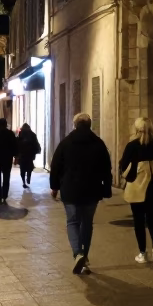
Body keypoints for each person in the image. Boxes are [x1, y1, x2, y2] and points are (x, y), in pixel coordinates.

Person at [49, 113, 112, 275]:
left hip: (70, 190)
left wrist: (54, 187)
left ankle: (78, 253)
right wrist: (107, 188)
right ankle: (84, 258)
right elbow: (106, 168)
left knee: (72, 222)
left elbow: (55, 166)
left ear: (75, 125)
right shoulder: (98, 143)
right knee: (87, 224)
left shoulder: (66, 143)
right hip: (92, 190)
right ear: (90, 125)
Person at [119, 117, 153, 266]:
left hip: (137, 186)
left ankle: (142, 252)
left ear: (136, 129)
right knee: (152, 218)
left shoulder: (132, 146)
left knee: (139, 221)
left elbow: (123, 165)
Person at [16, 124, 41, 189]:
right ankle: (28, 177)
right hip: (30, 154)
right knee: (29, 167)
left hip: (22, 155)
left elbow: (17, 144)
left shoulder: (20, 134)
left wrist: (16, 154)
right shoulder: (32, 134)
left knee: (22, 169)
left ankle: (24, 182)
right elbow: (36, 143)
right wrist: (37, 151)